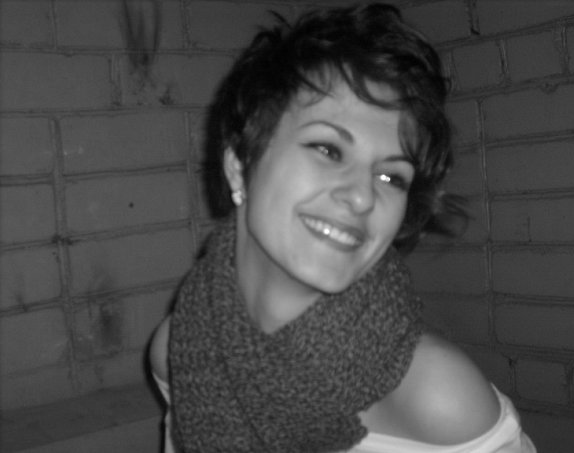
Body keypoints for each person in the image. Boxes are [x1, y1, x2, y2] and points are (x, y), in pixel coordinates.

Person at [149, 3, 536, 452]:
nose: (363, 197)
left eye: (391, 177)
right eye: (329, 150)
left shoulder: (441, 399)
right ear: (239, 166)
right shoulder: (183, 347)